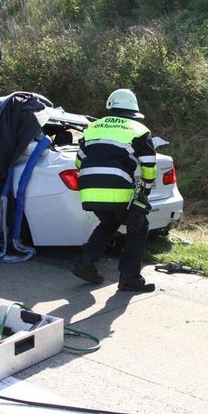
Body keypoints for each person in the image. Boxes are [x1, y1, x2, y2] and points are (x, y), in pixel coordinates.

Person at [71, 88, 157, 293]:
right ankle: (130, 278)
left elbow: (78, 162)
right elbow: (149, 164)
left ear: (111, 107)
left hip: (88, 188)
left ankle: (85, 264)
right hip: (117, 188)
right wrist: (144, 193)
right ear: (133, 110)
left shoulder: (92, 127)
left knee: (109, 222)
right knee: (139, 225)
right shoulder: (139, 129)